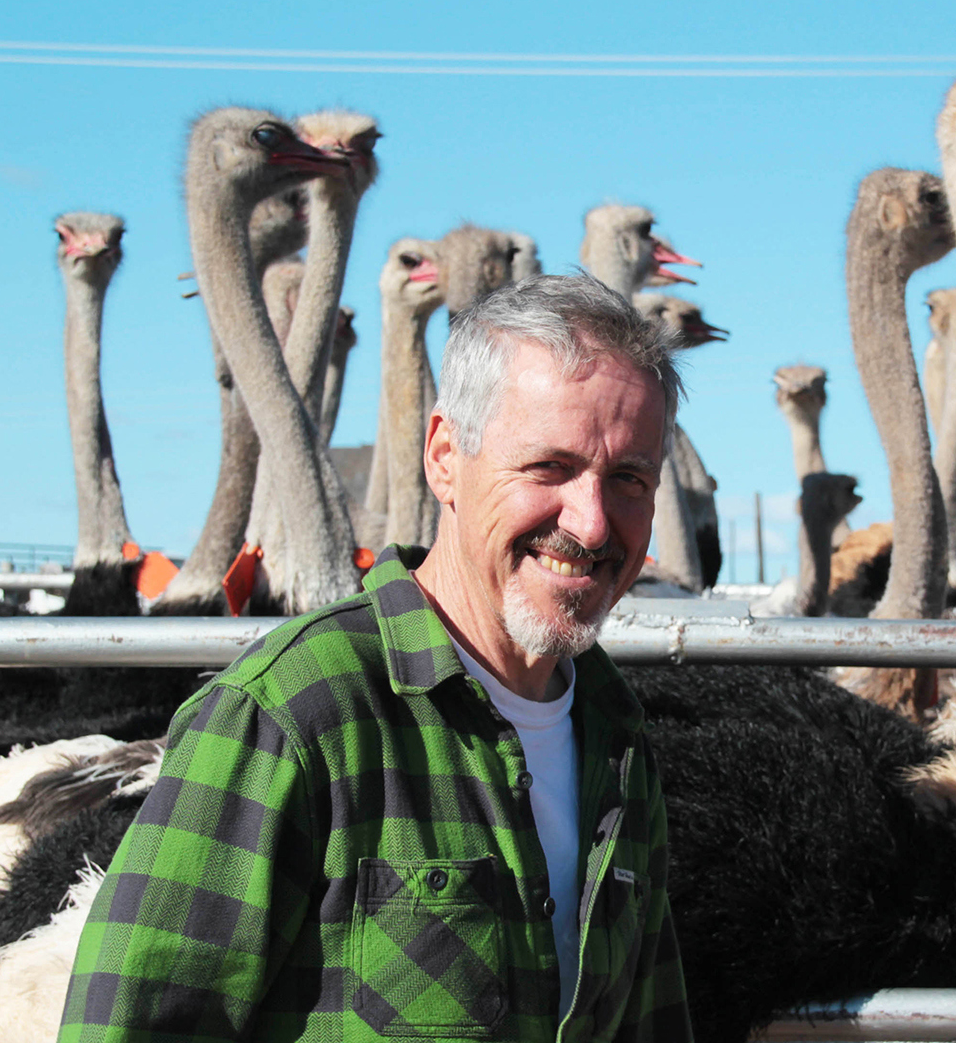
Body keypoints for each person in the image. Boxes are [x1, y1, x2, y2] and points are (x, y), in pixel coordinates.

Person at [59, 274, 694, 1043]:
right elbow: (134, 1024)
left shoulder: (617, 736)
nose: (592, 525)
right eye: (549, 468)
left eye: (629, 479)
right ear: (444, 458)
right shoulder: (295, 713)